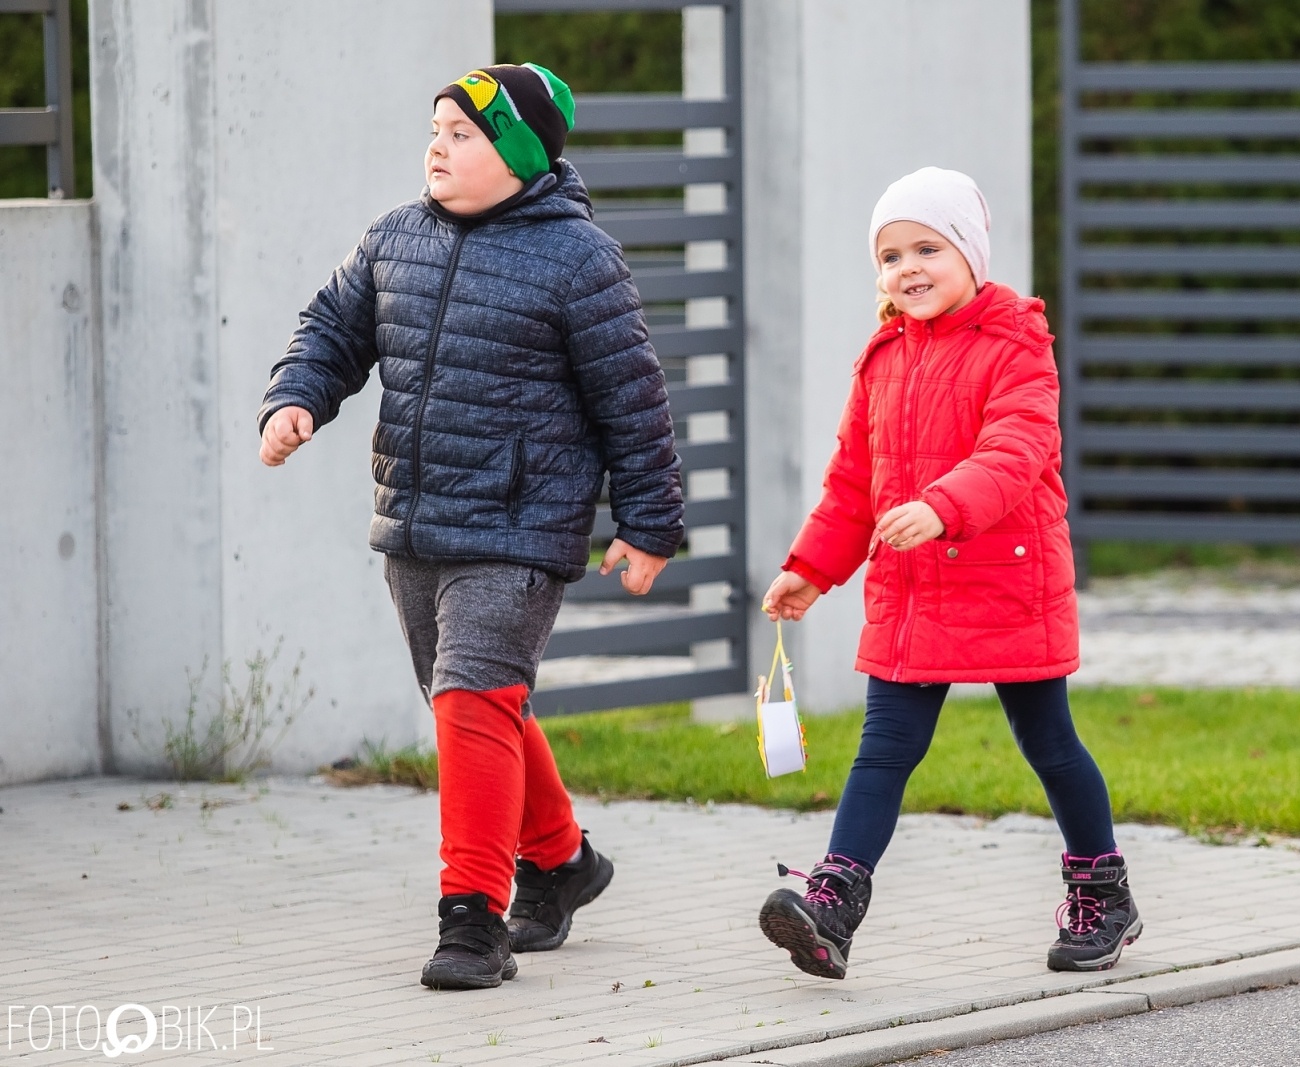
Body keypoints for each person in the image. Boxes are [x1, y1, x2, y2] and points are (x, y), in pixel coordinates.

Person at [257, 63, 683, 991]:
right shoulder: (393, 238)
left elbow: (634, 403)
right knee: (479, 706)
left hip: (520, 526)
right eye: (436, 128)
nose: (438, 146)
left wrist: (648, 523)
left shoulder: (579, 259)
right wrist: (297, 398)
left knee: (469, 703)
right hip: (415, 518)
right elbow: (332, 329)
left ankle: (473, 918)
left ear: (520, 155)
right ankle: (565, 861)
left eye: (463, 132)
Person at [756, 167, 1140, 980]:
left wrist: (941, 504)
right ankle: (833, 902)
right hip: (915, 586)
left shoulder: (1018, 342)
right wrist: (812, 568)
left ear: (971, 253)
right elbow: (852, 484)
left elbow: (1015, 449)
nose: (908, 268)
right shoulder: (883, 356)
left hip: (1008, 577)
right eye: (891, 255)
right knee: (883, 747)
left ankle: (1102, 891)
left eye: (927, 246)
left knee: (1050, 742)